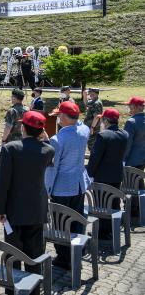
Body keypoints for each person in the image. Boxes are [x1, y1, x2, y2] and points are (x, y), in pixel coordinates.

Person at [0, 111, 54, 295]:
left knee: (12, 253)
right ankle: (33, 289)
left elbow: (2, 183)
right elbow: (47, 143)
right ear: (41, 130)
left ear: (23, 127)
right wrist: (43, 135)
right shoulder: (48, 150)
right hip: (36, 208)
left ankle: (11, 290)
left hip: (13, 209)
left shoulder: (10, 148)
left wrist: (0, 209)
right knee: (34, 253)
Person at [45, 101, 91, 270]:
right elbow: (80, 123)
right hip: (78, 184)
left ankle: (64, 258)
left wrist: (47, 189)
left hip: (61, 188)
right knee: (77, 220)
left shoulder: (56, 140)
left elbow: (52, 169)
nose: (57, 117)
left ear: (63, 116)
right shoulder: (84, 131)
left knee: (60, 224)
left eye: (59, 115)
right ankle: (78, 249)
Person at [87, 108, 128, 240]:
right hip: (116, 175)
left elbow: (95, 157)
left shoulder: (103, 136)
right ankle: (111, 230)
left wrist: (89, 173)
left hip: (102, 176)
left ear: (105, 120)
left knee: (101, 206)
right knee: (114, 204)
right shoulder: (124, 134)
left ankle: (102, 232)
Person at [124, 96, 145, 170]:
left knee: (129, 181)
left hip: (131, 161)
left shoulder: (131, 122)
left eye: (130, 106)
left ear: (135, 107)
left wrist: (123, 160)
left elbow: (127, 143)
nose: (129, 108)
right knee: (138, 180)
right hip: (142, 159)